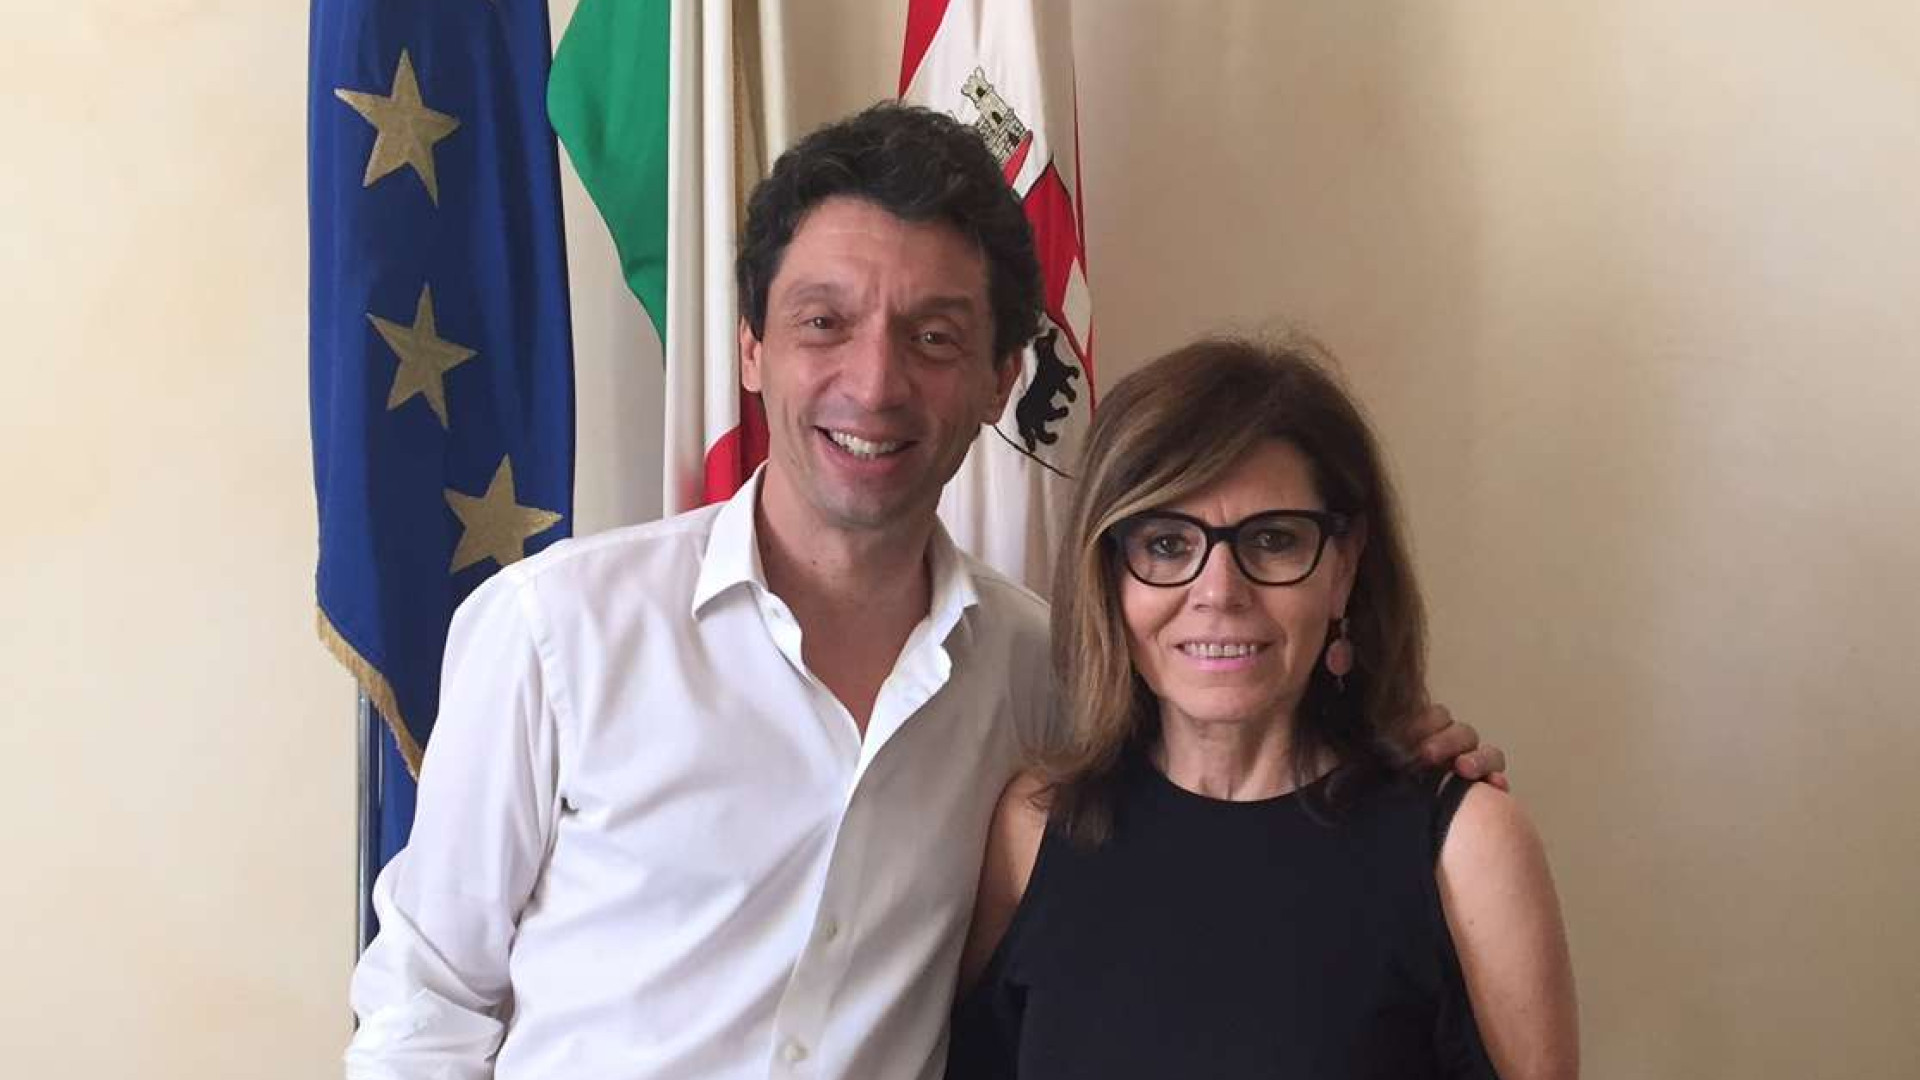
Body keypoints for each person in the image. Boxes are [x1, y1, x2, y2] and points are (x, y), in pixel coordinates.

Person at [345, 105, 1503, 1080]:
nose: (874, 383)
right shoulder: (557, 631)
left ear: (1003, 379)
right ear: (751, 345)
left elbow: (1237, 787)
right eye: (824, 323)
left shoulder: (1048, 678)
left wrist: (1392, 739)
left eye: (935, 338)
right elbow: (426, 1003)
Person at [949, 336, 1577, 1079]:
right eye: (1166, 543)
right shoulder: (1034, 826)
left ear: (1344, 567)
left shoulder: (1466, 848)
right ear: (1109, 573)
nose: (1219, 591)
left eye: (1273, 540)